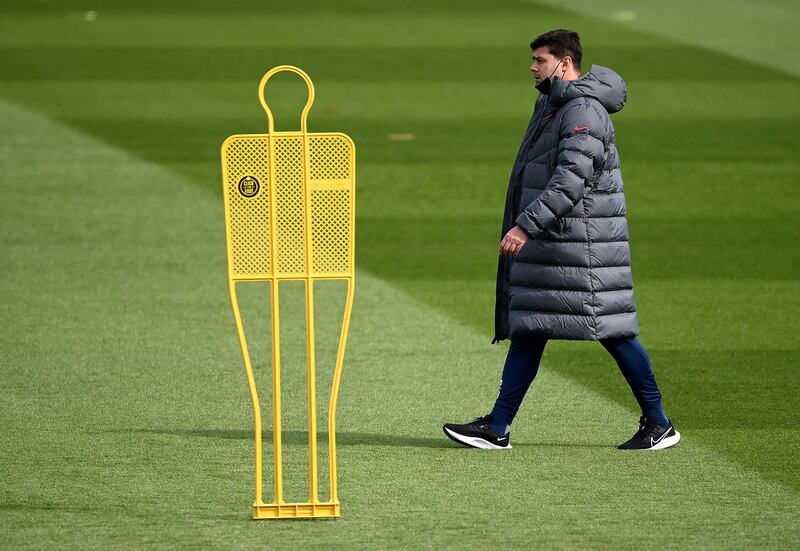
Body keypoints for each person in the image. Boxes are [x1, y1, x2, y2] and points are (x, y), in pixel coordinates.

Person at [443, 29, 679, 451]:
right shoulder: (556, 105)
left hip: (582, 248)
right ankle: (498, 427)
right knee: (531, 330)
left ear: (564, 63)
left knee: (613, 332)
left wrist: (525, 225)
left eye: (539, 60)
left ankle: (659, 422)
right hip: (562, 247)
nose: (533, 68)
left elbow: (570, 179)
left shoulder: (581, 110)